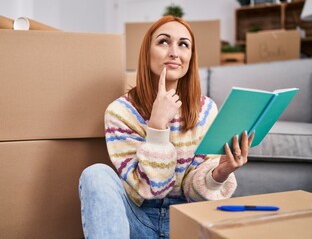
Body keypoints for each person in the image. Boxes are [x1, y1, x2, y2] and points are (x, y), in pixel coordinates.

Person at [79, 15, 255, 239]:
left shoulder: (206, 109)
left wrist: (220, 173)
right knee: (95, 173)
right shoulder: (120, 112)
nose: (174, 52)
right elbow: (151, 189)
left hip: (186, 220)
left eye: (183, 44)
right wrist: (157, 127)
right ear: (147, 53)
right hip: (137, 219)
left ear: (190, 56)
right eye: (163, 42)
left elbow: (196, 196)